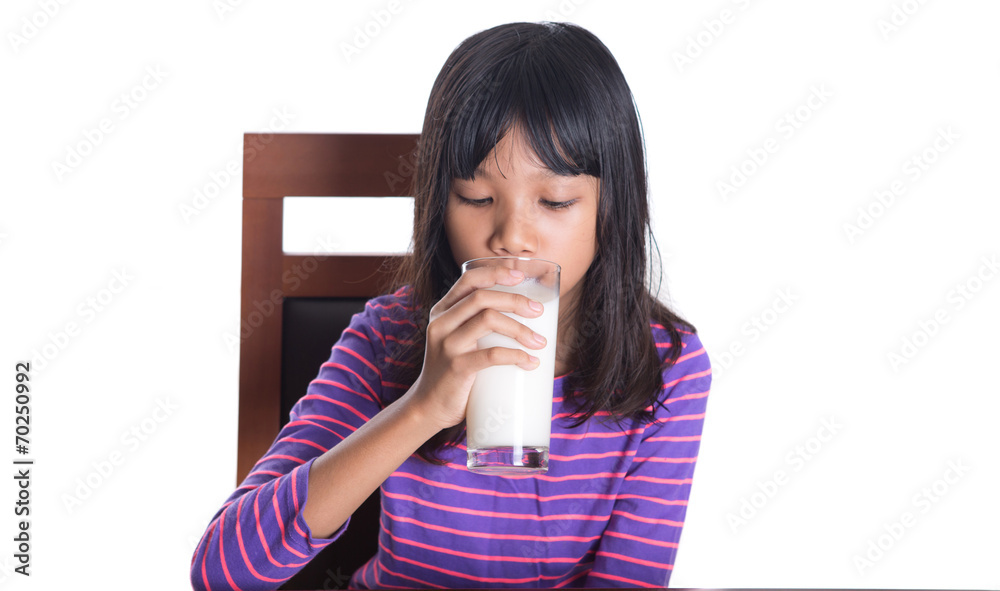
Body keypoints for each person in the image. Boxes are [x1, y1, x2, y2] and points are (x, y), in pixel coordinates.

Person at [191, 21, 712, 589]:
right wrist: (423, 406)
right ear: (440, 203)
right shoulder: (387, 337)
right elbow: (222, 572)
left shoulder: (667, 369)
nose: (512, 237)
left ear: (612, 206)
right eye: (477, 197)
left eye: (556, 200)